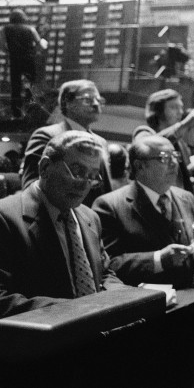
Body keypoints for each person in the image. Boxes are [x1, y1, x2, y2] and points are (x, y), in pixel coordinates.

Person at [0, 131, 125, 318]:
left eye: (93, 175)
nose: (85, 184)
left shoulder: (90, 217)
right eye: (77, 171)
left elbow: (104, 274)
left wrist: (124, 297)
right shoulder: (5, 218)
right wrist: (78, 311)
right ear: (45, 168)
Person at [92, 136, 194, 288]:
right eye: (164, 158)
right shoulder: (109, 206)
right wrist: (159, 259)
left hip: (192, 300)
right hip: (149, 305)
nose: (174, 163)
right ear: (139, 166)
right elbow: (108, 265)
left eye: (175, 156)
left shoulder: (186, 198)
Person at [21, 80, 112, 206]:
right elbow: (31, 187)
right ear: (67, 103)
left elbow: (104, 192)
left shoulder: (101, 142)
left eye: (99, 100)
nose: (96, 104)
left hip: (90, 222)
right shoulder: (47, 136)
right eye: (88, 99)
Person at [132, 89, 194, 190]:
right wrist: (185, 123)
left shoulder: (179, 142)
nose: (180, 112)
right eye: (173, 107)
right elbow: (151, 146)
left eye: (181, 107)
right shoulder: (144, 133)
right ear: (159, 111)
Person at [2, 9, 46, 118]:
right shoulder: (30, 29)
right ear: (23, 18)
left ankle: (16, 112)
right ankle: (30, 110)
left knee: (15, 86)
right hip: (29, 59)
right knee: (31, 85)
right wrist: (43, 43)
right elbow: (41, 46)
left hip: (15, 60)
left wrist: (9, 51)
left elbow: (2, 45)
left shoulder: (4, 29)